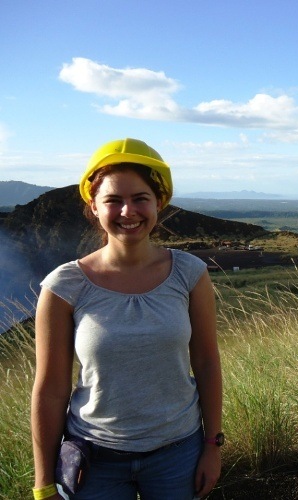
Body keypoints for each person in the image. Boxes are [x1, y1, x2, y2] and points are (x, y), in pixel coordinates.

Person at [30, 138, 223, 499]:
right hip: (94, 461)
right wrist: (43, 483)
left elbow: (207, 361)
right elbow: (51, 388)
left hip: (178, 454)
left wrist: (212, 445)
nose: (127, 211)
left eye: (140, 198)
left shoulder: (190, 273)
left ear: (159, 202)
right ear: (94, 206)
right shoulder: (64, 285)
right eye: (113, 200)